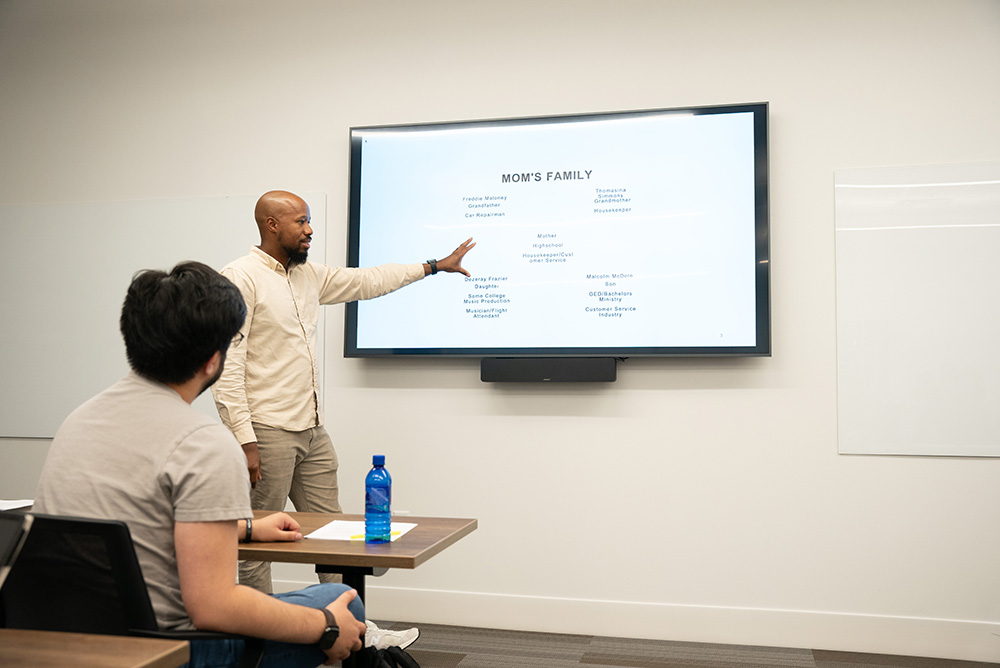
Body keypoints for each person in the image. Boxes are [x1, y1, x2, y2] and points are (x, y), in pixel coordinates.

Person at [33, 261, 368, 668]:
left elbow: (134, 520)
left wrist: (244, 526)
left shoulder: (80, 419)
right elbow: (214, 608)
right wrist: (327, 627)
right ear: (213, 361)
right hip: (167, 649)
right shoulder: (204, 444)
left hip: (68, 638)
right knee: (338, 603)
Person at [211, 190, 473, 613]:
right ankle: (257, 636)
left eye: (309, 220)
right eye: (301, 221)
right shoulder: (240, 277)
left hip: (311, 431)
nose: (310, 229)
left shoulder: (307, 275)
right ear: (271, 225)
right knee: (258, 539)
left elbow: (368, 280)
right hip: (266, 431)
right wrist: (244, 439)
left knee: (333, 535)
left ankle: (349, 628)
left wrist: (433, 267)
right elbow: (229, 365)